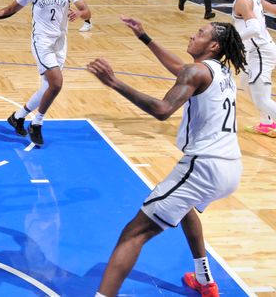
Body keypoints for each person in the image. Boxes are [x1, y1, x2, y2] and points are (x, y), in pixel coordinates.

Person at [88, 17, 246, 297]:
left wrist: (114, 82)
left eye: (200, 33)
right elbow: (181, 70)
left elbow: (162, 110)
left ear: (212, 45)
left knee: (133, 234)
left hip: (203, 166)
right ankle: (204, 279)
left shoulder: (196, 72)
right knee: (185, 208)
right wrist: (145, 37)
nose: (192, 35)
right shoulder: (219, 71)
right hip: (230, 168)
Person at [0, 0, 91, 146]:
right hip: (41, 42)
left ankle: (18, 117)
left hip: (60, 42)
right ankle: (37, 123)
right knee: (56, 83)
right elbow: (10, 9)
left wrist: (80, 13)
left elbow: (87, 10)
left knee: (48, 87)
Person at [226, 0, 276, 137]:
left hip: (261, 52)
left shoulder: (242, 1)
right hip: (256, 52)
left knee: (261, 98)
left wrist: (231, 40)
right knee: (246, 85)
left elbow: (254, 29)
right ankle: (267, 123)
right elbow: (273, 9)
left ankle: (272, 122)